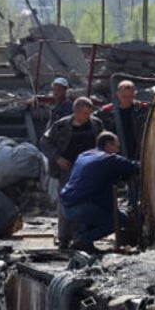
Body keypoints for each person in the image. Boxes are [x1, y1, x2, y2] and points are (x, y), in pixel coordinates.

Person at [39, 96, 103, 248]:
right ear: (76, 112)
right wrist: (58, 158)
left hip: (89, 169)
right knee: (66, 203)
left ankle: (84, 238)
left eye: (90, 113)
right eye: (85, 113)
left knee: (88, 202)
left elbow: (103, 141)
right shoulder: (61, 125)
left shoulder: (96, 124)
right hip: (68, 169)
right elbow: (45, 142)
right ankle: (64, 238)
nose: (88, 117)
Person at [60, 131, 140, 253]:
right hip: (82, 207)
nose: (118, 151)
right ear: (108, 144)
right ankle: (83, 239)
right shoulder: (110, 159)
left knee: (99, 213)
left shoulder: (83, 155)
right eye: (116, 146)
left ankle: (81, 239)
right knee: (120, 219)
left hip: (66, 206)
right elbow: (133, 166)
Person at [96, 79, 149, 161]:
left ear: (134, 94)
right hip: (114, 154)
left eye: (130, 96)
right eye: (124, 96)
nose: (127, 99)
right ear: (118, 94)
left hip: (137, 152)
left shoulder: (142, 110)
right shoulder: (106, 112)